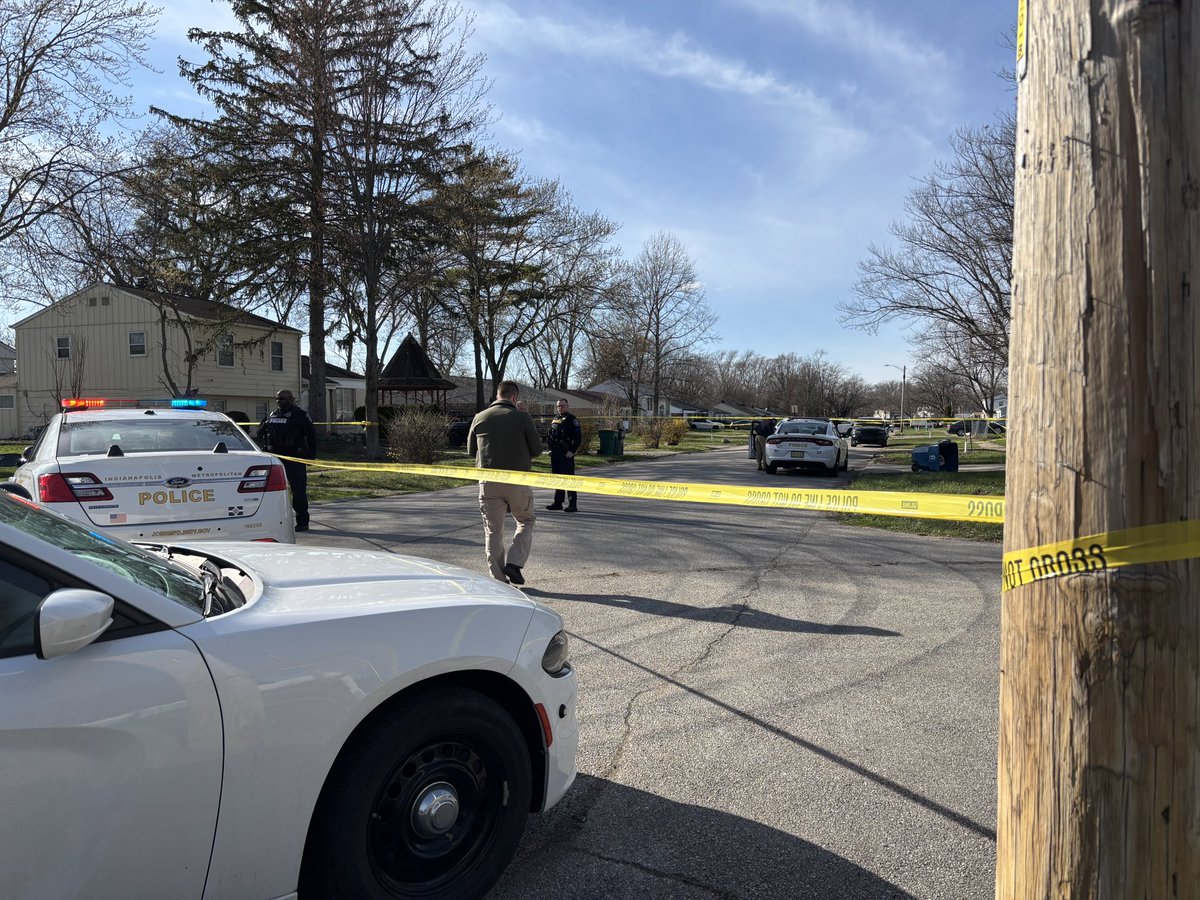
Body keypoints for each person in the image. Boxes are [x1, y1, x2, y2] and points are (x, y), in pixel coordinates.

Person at [467, 381, 543, 585]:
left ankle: (499, 582)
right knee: (526, 520)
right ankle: (515, 563)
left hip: (488, 481)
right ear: (515, 397)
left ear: (497, 395)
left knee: (493, 530)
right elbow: (537, 449)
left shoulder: (479, 417)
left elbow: (470, 451)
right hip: (517, 480)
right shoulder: (521, 417)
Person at [257, 389, 317, 531]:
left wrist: (311, 456)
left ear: (291, 399)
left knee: (298, 492)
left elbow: (312, 436)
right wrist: (266, 425)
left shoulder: (300, 415)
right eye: (277, 399)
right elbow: (260, 433)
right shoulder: (272, 415)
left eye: (282, 398)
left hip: (294, 459)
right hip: (274, 459)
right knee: (269, 491)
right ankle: (270, 521)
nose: (279, 401)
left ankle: (302, 522)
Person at [545, 398, 582, 512]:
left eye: (563, 405)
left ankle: (572, 504)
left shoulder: (572, 419)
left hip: (566, 454)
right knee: (557, 478)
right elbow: (551, 435)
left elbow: (577, 437)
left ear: (567, 406)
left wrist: (572, 451)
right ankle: (558, 503)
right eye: (559, 406)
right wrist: (550, 449)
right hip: (555, 453)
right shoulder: (555, 419)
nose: (560, 408)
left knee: (569, 478)